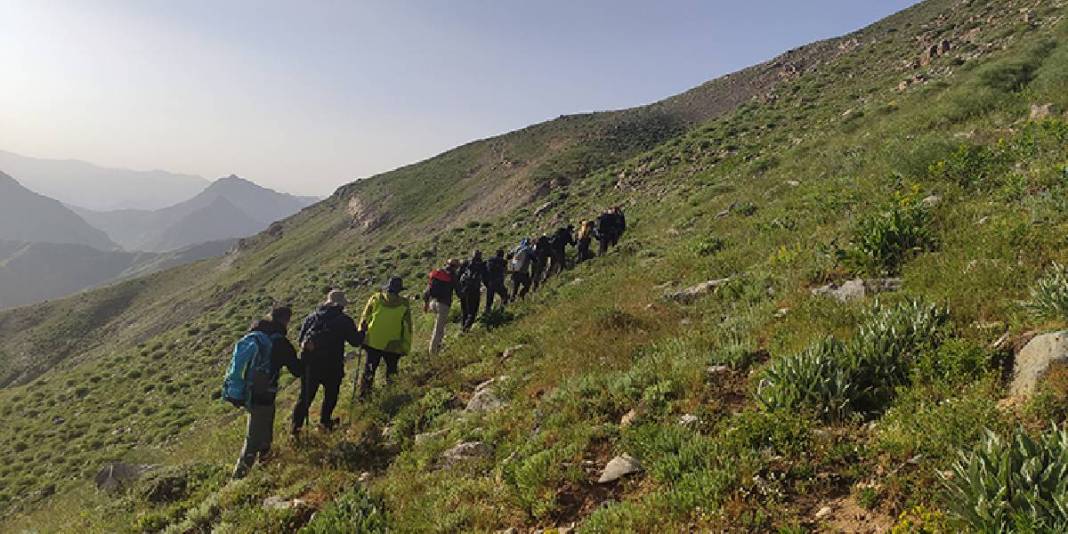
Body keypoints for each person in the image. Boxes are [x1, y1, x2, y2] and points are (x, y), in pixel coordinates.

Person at [233, 306, 301, 479]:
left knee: (264, 436)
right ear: (285, 320)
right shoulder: (280, 342)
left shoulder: (258, 334)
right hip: (264, 394)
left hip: (250, 391)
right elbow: (297, 370)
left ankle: (265, 471)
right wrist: (307, 354)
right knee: (253, 440)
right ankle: (238, 479)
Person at [290, 290, 363, 435]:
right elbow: (355, 341)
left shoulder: (312, 317)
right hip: (332, 365)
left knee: (305, 398)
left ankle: (294, 430)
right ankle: (325, 422)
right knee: (331, 395)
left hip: (310, 365)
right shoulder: (344, 320)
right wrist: (363, 331)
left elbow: (301, 340)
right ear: (341, 305)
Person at [357, 277, 412, 400]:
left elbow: (365, 318)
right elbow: (407, 327)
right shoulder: (404, 304)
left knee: (369, 369)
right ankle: (391, 396)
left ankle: (364, 397)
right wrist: (406, 347)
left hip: (373, 341)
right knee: (391, 371)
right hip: (393, 344)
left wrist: (360, 336)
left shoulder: (376, 298)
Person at [424, 259, 459, 356]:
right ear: (455, 267)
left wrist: (426, 304)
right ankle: (433, 353)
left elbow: (427, 290)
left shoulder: (438, 273)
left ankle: (438, 346)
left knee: (440, 327)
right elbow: (459, 292)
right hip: (443, 305)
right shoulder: (452, 276)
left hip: (433, 303)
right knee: (438, 329)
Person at [457, 250, 486, 331]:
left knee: (464, 311)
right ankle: (465, 330)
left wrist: (459, 290)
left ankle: (462, 327)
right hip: (474, 291)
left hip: (463, 290)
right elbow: (485, 278)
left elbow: (457, 276)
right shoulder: (481, 265)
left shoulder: (465, 263)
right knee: (472, 313)